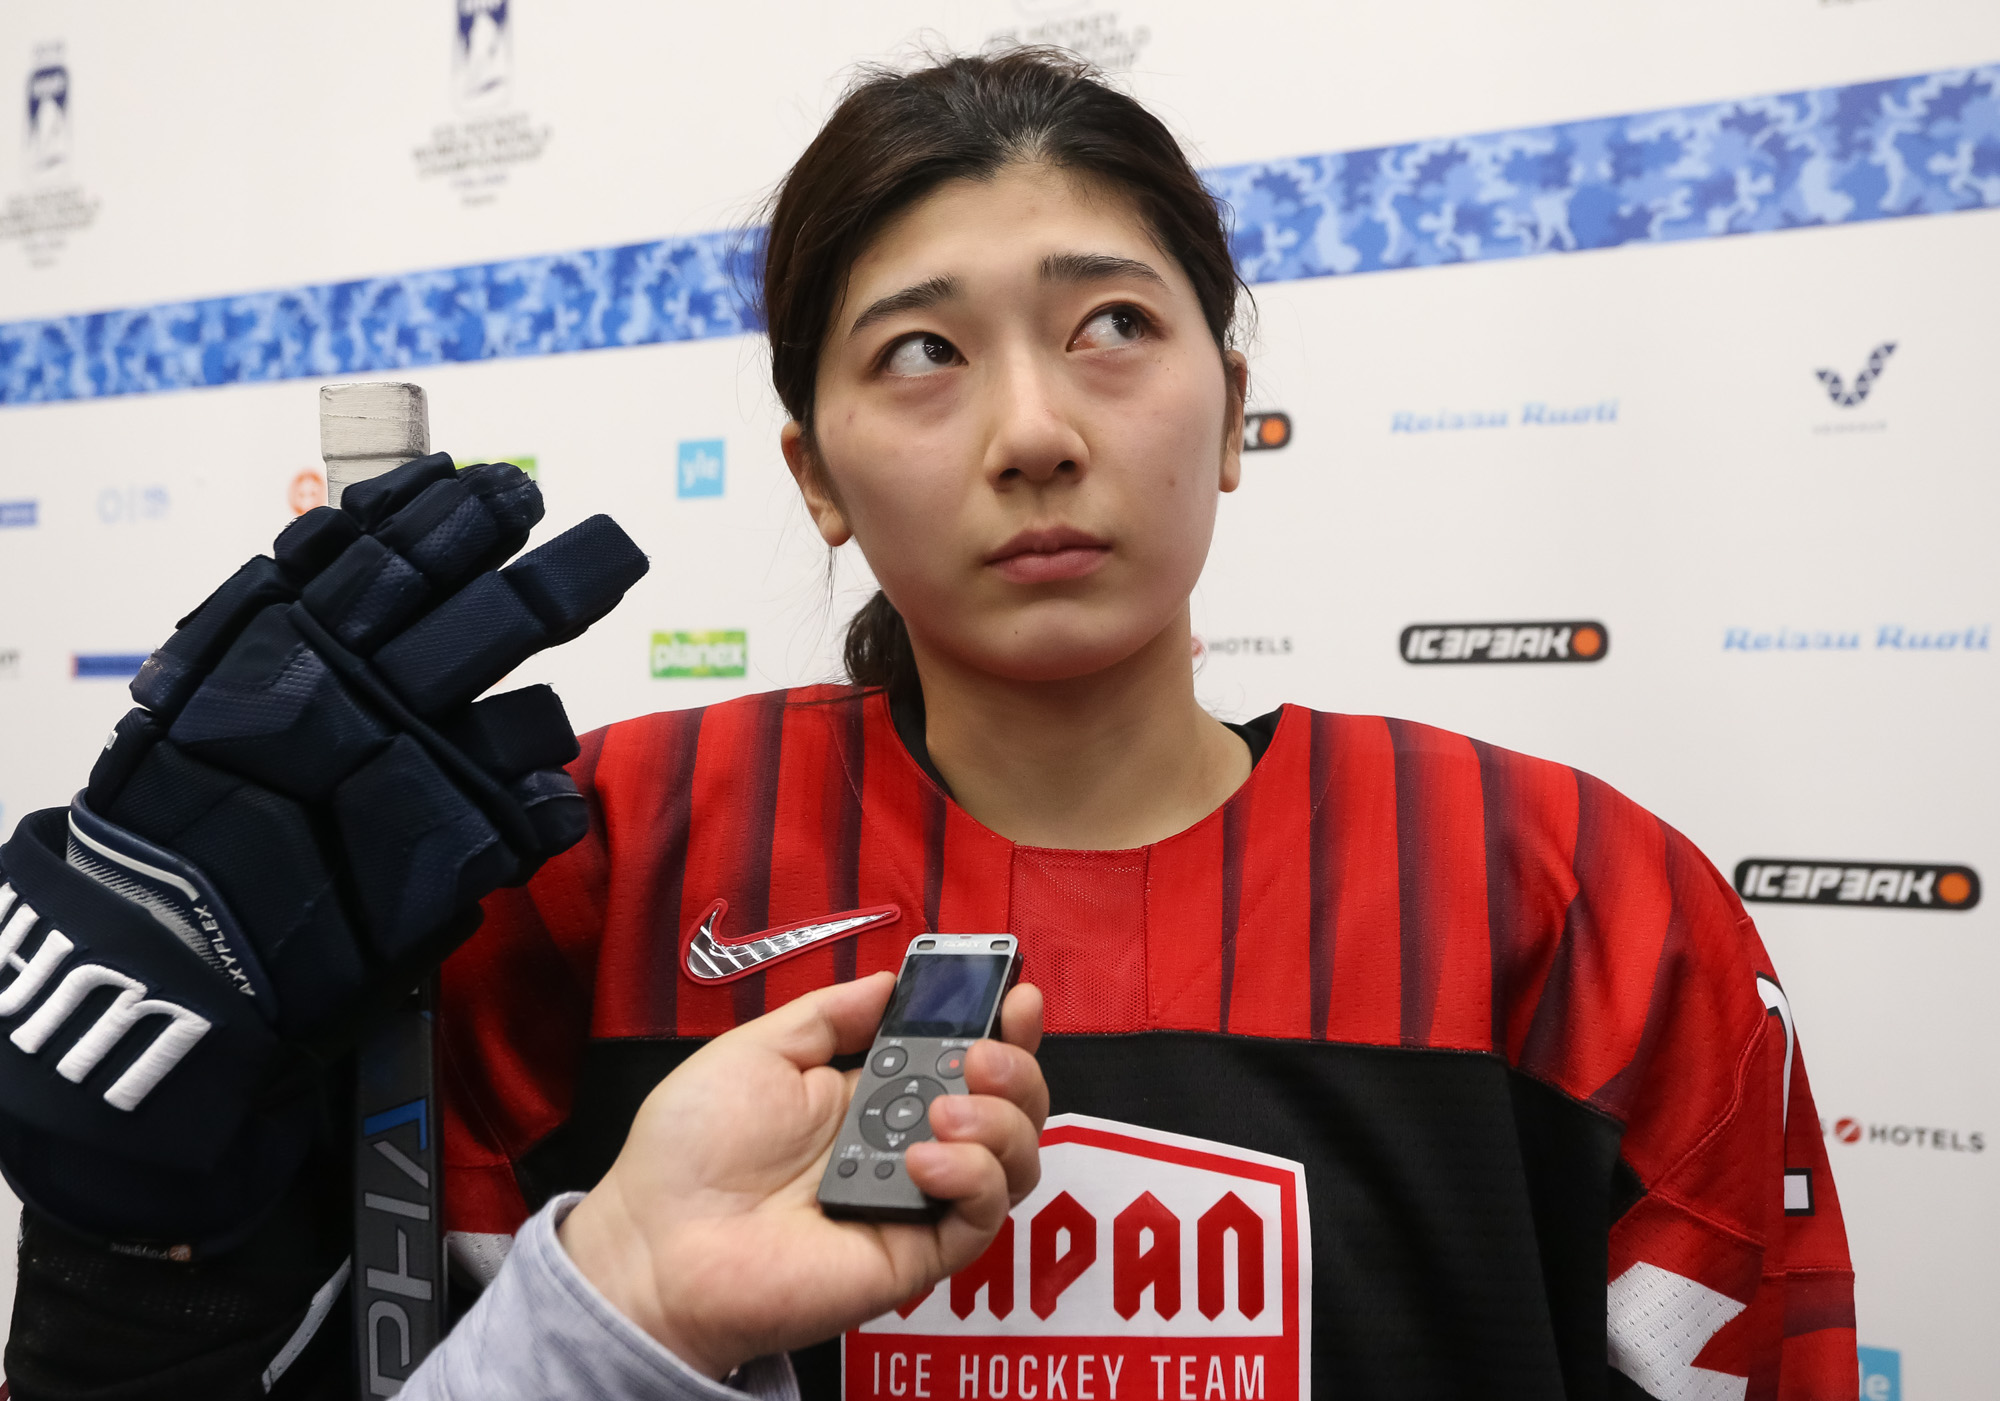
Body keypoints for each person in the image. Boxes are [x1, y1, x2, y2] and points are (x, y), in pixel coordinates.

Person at [0, 46, 1854, 1401]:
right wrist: (141, 1237)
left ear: (1232, 410)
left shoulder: (1576, 897)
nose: (1034, 429)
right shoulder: (580, 864)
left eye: (1112, 324)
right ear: (812, 471)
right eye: (920, 352)